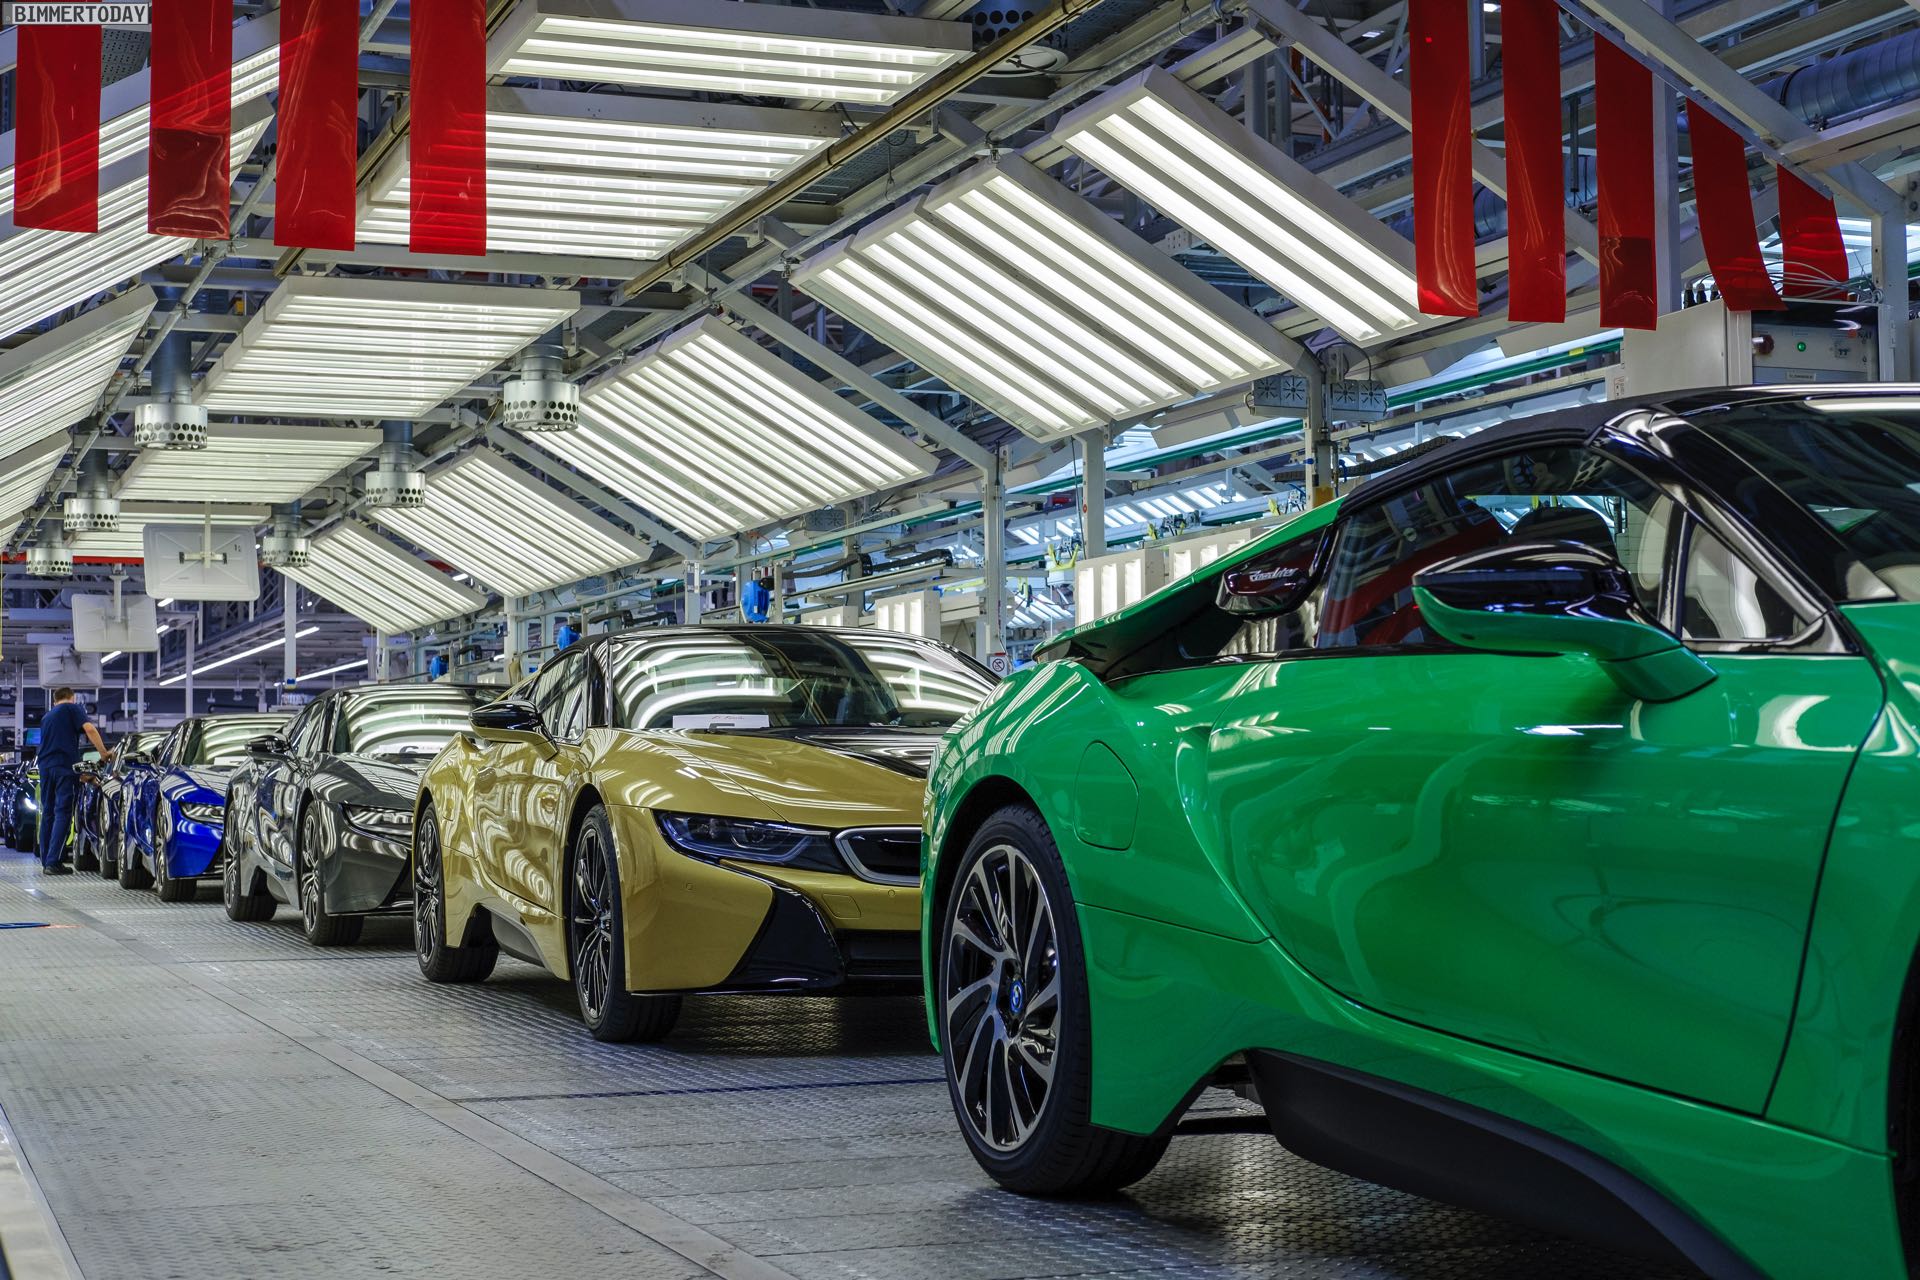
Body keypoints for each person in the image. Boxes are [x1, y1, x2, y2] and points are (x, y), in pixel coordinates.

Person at [37, 687, 110, 874]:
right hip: (63, 767)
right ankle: (53, 862)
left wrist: (80, 774)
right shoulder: (72, 708)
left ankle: (46, 860)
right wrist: (103, 753)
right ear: (72, 697)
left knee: (48, 812)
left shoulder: (47, 717)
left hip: (45, 767)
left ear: (54, 700)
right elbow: (89, 729)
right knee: (63, 812)